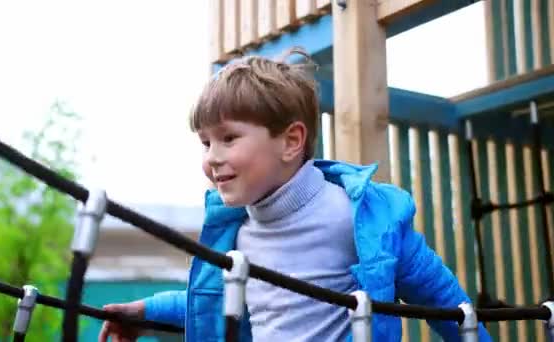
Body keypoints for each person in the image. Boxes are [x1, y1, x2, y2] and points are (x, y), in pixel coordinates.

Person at [98, 48, 491, 342]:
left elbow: (444, 300)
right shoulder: (238, 233)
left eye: (228, 138)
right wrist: (146, 311)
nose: (212, 159)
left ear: (291, 141)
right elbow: (216, 300)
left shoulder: (359, 221)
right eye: (205, 143)